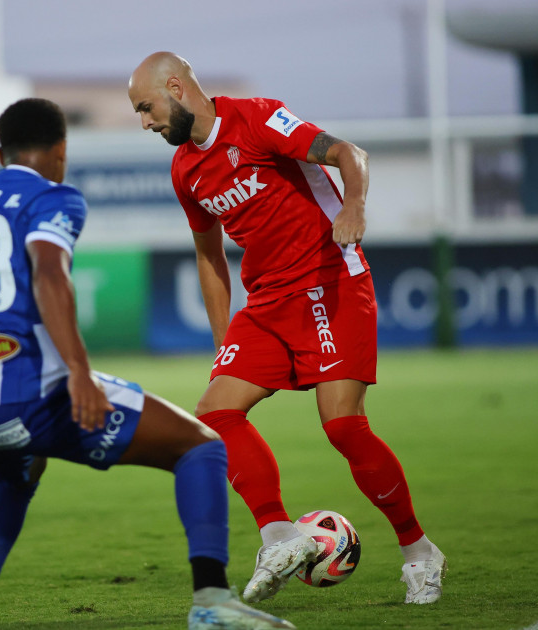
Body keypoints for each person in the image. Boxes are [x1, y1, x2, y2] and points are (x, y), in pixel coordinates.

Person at [0, 97, 297, 630]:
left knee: (17, 476)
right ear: (61, 149)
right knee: (201, 447)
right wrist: (79, 373)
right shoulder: (55, 197)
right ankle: (212, 601)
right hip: (36, 400)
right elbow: (50, 275)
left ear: (0, 153)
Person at [127, 52, 445, 606]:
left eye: (146, 107)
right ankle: (280, 536)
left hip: (328, 281)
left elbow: (350, 154)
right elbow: (209, 258)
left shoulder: (259, 119)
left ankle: (419, 552)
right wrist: (224, 337)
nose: (146, 121)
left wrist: (354, 207)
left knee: (343, 427)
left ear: (176, 87)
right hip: (268, 299)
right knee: (214, 415)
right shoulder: (185, 169)